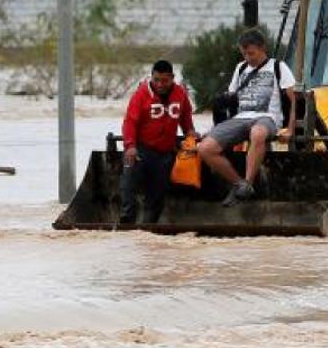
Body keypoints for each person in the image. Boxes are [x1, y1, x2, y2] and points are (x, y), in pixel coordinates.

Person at [195, 29, 296, 206]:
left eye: (251, 53)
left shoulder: (278, 67)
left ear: (262, 48)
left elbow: (293, 100)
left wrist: (290, 129)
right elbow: (231, 97)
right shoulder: (241, 68)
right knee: (205, 148)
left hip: (267, 117)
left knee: (257, 133)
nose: (248, 58)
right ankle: (240, 185)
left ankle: (248, 181)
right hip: (241, 117)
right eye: (244, 54)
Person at [119, 59, 195, 224]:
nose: (160, 84)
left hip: (164, 152)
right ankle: (127, 219)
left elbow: (185, 117)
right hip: (141, 149)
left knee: (158, 192)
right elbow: (130, 122)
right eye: (156, 80)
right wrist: (130, 146)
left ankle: (149, 225)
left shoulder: (180, 93)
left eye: (165, 81)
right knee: (129, 181)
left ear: (172, 78)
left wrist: (190, 132)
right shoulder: (141, 94)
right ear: (151, 77)